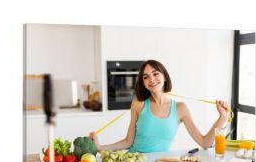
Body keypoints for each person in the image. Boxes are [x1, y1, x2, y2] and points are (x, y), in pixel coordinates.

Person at [90, 60, 228, 153]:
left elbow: (204, 143)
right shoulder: (138, 104)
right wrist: (100, 147)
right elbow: (128, 142)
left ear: (165, 77)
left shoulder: (181, 108)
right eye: (146, 77)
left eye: (155, 74)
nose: (151, 80)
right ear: (143, 83)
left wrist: (222, 117)